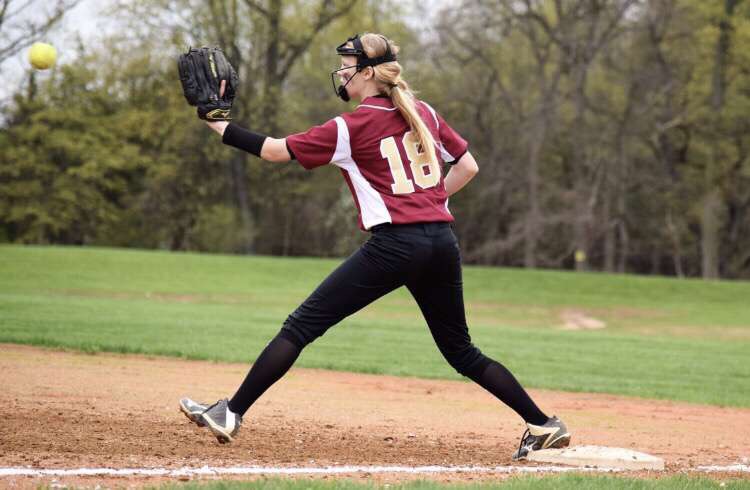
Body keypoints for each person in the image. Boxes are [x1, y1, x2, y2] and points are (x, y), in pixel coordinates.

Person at [179, 33, 570, 460]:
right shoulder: (423, 112)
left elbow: (273, 151)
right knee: (461, 350)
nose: (342, 72)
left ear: (367, 73)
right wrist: (432, 201)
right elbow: (468, 166)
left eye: (348, 65)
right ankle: (542, 424)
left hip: (396, 245)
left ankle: (230, 413)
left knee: (300, 327)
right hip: (441, 241)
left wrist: (215, 120)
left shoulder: (351, 126)